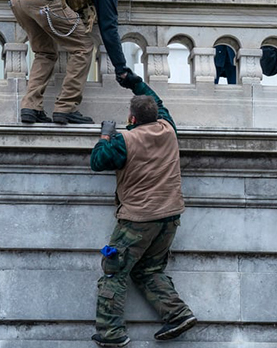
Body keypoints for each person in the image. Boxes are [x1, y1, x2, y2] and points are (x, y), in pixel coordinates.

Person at [90, 72, 196, 347]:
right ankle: (178, 314)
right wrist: (136, 82)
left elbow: (98, 161)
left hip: (138, 219)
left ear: (132, 118)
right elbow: (157, 102)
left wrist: (105, 136)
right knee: (148, 270)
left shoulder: (124, 140)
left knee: (114, 272)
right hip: (170, 216)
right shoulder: (168, 127)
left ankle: (111, 333)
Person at [11, 0, 136, 124]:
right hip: (43, 0)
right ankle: (66, 108)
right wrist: (121, 68)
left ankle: (30, 107)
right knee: (82, 47)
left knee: (45, 53)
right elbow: (109, 29)